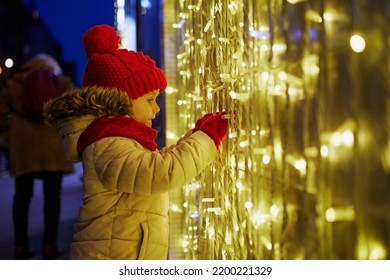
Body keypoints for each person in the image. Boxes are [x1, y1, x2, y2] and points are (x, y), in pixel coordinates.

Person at [43, 24, 228, 260]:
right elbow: (159, 172)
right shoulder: (107, 144)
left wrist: (195, 136)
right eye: (149, 99)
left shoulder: (116, 138)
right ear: (120, 102)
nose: (156, 108)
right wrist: (206, 139)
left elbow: (150, 164)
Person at [0, 54, 75, 259]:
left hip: (24, 147)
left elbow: (1, 112)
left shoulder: (14, 83)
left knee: (22, 197)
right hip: (52, 146)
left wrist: (8, 135)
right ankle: (50, 245)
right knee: (53, 198)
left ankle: (21, 246)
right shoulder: (61, 82)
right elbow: (75, 109)